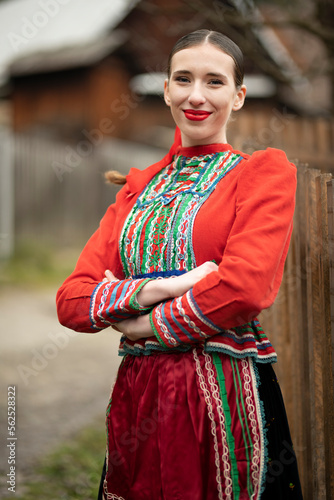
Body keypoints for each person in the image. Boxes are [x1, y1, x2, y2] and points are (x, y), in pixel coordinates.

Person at [56, 29, 303, 499]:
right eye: (183, 79)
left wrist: (138, 323)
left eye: (214, 82)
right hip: (138, 395)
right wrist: (161, 291)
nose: (196, 96)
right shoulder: (136, 189)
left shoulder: (262, 176)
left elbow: (244, 290)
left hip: (223, 395)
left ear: (239, 95)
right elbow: (71, 301)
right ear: (166, 89)